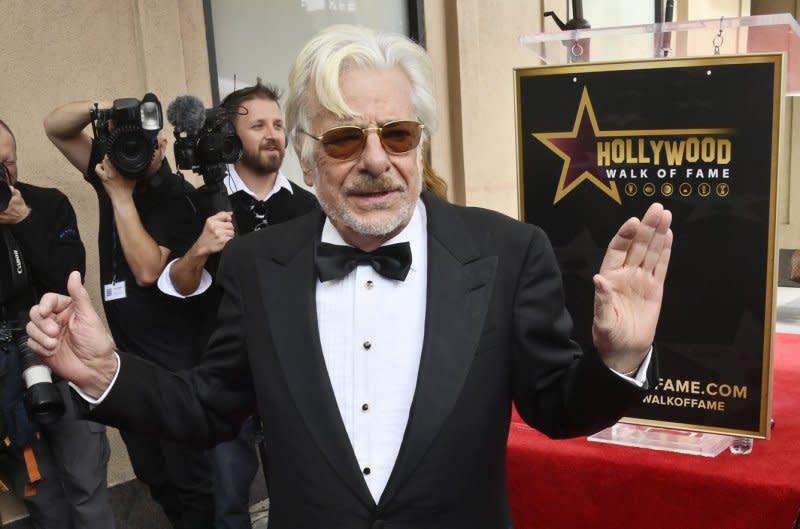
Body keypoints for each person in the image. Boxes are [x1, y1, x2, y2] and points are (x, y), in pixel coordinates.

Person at [28, 25, 673, 529]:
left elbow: (556, 406)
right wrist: (105, 374)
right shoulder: (257, 267)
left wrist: (618, 359)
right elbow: (207, 407)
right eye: (342, 140)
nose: (374, 160)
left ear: (421, 144)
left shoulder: (507, 251)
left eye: (396, 134)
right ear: (307, 160)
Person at [42, 100, 214, 529]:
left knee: (192, 488)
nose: (137, 150)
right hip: (125, 365)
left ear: (163, 141)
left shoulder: (181, 199)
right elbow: (56, 127)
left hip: (174, 370)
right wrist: (107, 108)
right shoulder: (113, 166)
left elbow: (147, 270)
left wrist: (119, 195)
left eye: (146, 138)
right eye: (126, 138)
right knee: (154, 477)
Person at [158, 80, 316, 529]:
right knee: (227, 503)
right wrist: (201, 248)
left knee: (303, 493)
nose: (273, 135)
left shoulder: (308, 207)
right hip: (226, 375)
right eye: (259, 125)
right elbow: (177, 285)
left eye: (279, 125)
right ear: (230, 136)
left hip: (295, 374)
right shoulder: (195, 203)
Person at [0, 119, 114, 529]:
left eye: (7, 162)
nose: (2, 173)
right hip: (5, 381)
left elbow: (71, 280)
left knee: (87, 485)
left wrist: (24, 221)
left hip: (63, 360)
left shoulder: (47, 204)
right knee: (41, 494)